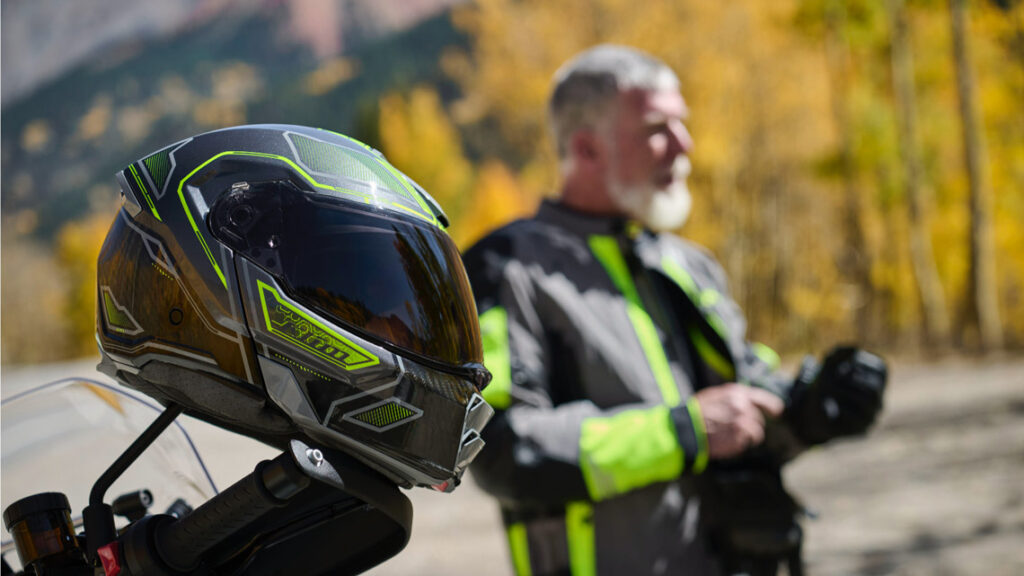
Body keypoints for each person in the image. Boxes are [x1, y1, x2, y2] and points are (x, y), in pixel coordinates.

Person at [463, 45, 887, 576]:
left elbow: (743, 402)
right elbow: (501, 450)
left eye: (681, 125)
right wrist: (684, 433)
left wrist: (812, 407)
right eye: (656, 129)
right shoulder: (505, 267)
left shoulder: (691, 264)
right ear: (587, 149)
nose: (684, 145)